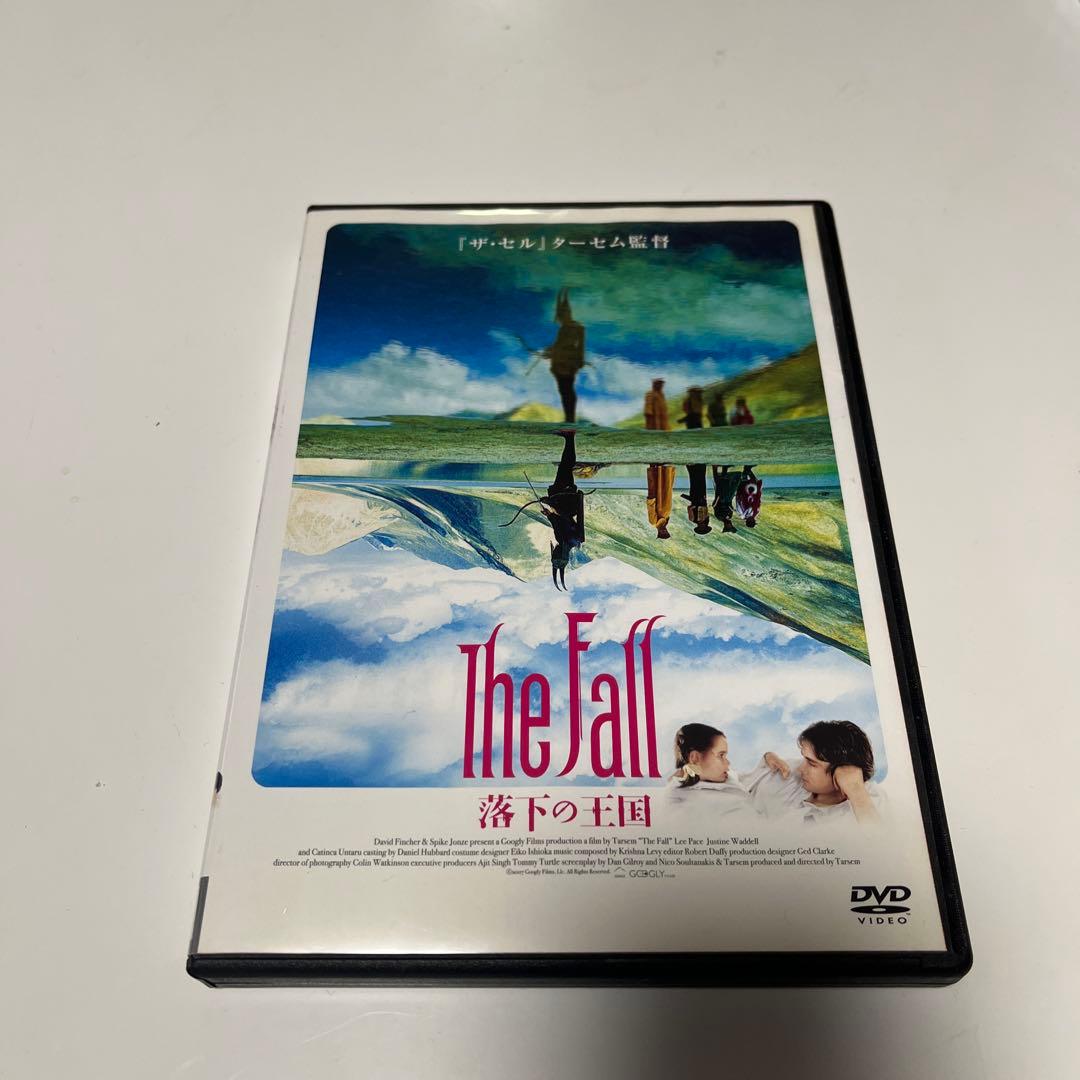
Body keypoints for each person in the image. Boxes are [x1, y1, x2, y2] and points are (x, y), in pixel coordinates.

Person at [742, 720, 884, 826]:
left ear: (844, 771)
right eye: (805, 759)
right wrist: (766, 759)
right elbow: (738, 784)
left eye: (811, 763)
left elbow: (879, 844)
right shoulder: (791, 771)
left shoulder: (869, 804)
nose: (800, 769)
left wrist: (856, 792)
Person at [665, 723, 752, 817]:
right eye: (721, 755)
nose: (728, 763)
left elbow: (747, 778)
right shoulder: (687, 805)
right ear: (695, 758)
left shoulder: (720, 777)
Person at [544, 287, 585, 422]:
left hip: (567, 364)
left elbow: (578, 346)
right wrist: (551, 351)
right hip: (559, 364)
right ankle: (569, 418)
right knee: (564, 391)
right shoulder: (563, 328)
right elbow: (560, 345)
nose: (561, 317)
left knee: (567, 390)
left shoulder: (577, 327)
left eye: (563, 313)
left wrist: (579, 360)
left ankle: (570, 418)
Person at [646, 464, 675, 540]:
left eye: (662, 533)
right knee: (666, 483)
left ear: (659, 532)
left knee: (655, 481)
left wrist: (651, 496)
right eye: (666, 533)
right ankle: (662, 468)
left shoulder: (653, 522)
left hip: (658, 497)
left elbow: (651, 508)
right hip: (666, 496)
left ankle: (655, 467)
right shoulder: (665, 522)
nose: (664, 531)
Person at [681, 464, 712, 534]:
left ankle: (691, 467)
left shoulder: (692, 519)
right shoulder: (706, 518)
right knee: (702, 482)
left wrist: (695, 505)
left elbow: (689, 508)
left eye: (701, 528)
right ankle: (701, 467)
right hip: (703, 498)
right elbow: (706, 508)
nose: (702, 526)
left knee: (694, 482)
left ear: (698, 527)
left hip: (695, 497)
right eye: (704, 527)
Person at [711, 464, 739, 533]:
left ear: (725, 526)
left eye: (728, 526)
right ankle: (725, 468)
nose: (729, 524)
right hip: (728, 498)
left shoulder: (719, 517)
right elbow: (730, 506)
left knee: (719, 483)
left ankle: (714, 468)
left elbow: (714, 506)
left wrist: (718, 498)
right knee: (725, 482)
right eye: (730, 526)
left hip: (721, 498)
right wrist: (732, 508)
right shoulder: (730, 516)